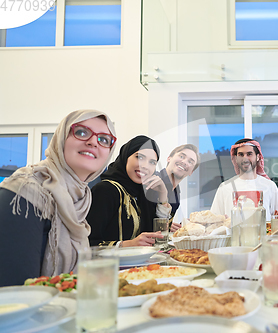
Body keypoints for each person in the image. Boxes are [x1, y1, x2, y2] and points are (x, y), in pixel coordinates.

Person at [0, 110, 117, 287]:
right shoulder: (25, 191)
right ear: (61, 138)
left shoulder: (81, 198)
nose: (93, 141)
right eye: (81, 132)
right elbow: (13, 290)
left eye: (104, 139)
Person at [88, 136, 171, 247]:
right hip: (111, 264)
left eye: (152, 162)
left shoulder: (143, 193)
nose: (145, 166)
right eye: (140, 157)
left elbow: (160, 238)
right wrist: (127, 244)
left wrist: (163, 195)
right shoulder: (106, 190)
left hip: (142, 263)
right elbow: (87, 244)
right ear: (126, 156)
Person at [211, 138, 278, 220]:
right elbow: (215, 221)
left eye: (249, 154)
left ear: (258, 157)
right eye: (241, 155)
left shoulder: (269, 186)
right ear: (235, 158)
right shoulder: (224, 187)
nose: (245, 158)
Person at [153, 144, 200, 232]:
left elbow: (163, 224)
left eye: (190, 162)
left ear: (191, 172)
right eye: (182, 156)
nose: (185, 162)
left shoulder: (176, 193)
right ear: (169, 158)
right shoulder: (154, 181)